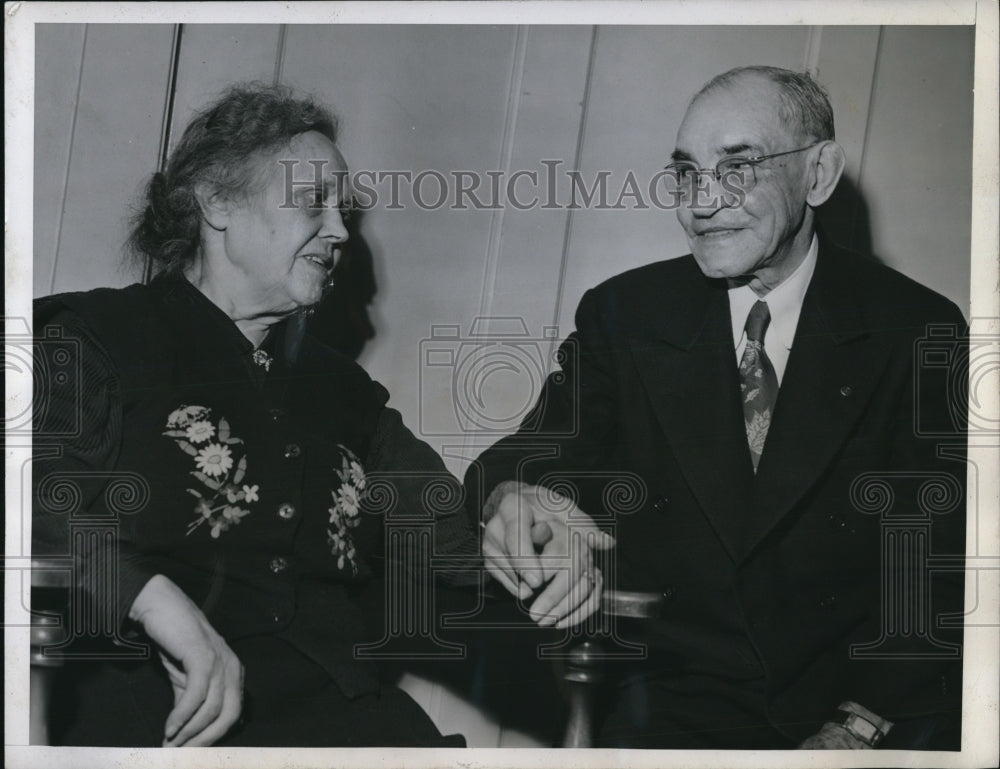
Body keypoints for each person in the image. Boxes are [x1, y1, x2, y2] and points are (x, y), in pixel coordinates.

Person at [473, 66, 967, 750]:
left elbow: (942, 567)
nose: (702, 201)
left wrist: (860, 724)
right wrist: (512, 495)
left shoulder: (915, 328)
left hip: (859, 710)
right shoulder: (628, 314)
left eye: (738, 168)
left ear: (819, 174)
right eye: (686, 173)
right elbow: (523, 458)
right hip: (674, 712)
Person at [31, 83, 490, 748]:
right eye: (313, 203)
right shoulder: (96, 336)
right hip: (161, 713)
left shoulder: (345, 393)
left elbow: (450, 533)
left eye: (342, 210)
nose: (338, 232)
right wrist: (156, 602)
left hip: (340, 716)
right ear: (217, 201)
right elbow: (36, 490)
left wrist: (521, 521)